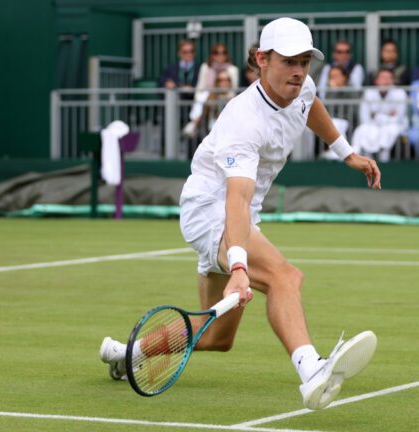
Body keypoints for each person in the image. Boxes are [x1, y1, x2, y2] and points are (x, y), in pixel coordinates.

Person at [99, 17, 380, 411]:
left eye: (304, 61)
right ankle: (311, 370)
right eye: (288, 61)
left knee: (216, 337)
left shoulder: (302, 85)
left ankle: (128, 353)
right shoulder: (242, 120)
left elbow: (311, 105)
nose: (298, 71)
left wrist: (346, 153)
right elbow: (236, 200)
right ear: (262, 59)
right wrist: (238, 267)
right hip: (210, 210)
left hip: (237, 212)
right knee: (286, 276)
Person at [184, 43, 241, 137]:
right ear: (212, 55)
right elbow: (200, 88)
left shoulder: (232, 69)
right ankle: (195, 122)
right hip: (208, 97)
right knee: (202, 98)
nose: (220, 55)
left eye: (223, 53)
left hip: (225, 97)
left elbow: (233, 90)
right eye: (216, 53)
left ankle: (194, 124)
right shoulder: (205, 67)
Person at [352, 68, 408, 162]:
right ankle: (368, 160)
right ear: (376, 80)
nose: (386, 81)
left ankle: (384, 159)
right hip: (372, 126)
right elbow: (364, 118)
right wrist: (388, 117)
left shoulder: (400, 93)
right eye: (382, 78)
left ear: (393, 81)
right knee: (363, 129)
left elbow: (398, 119)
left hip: (395, 126)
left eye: (389, 78)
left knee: (391, 129)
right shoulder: (368, 93)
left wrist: (377, 116)